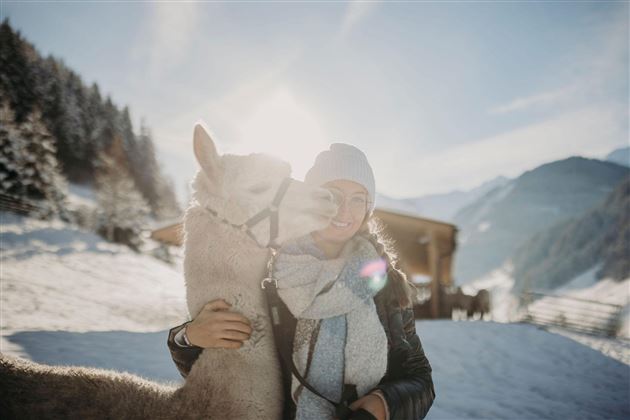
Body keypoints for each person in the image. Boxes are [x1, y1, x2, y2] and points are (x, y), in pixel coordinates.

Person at [167, 144, 435, 420]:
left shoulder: (384, 283)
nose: (344, 210)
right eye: (333, 194)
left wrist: (382, 405)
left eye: (358, 199)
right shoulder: (270, 280)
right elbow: (232, 373)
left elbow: (418, 377)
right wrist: (186, 339)